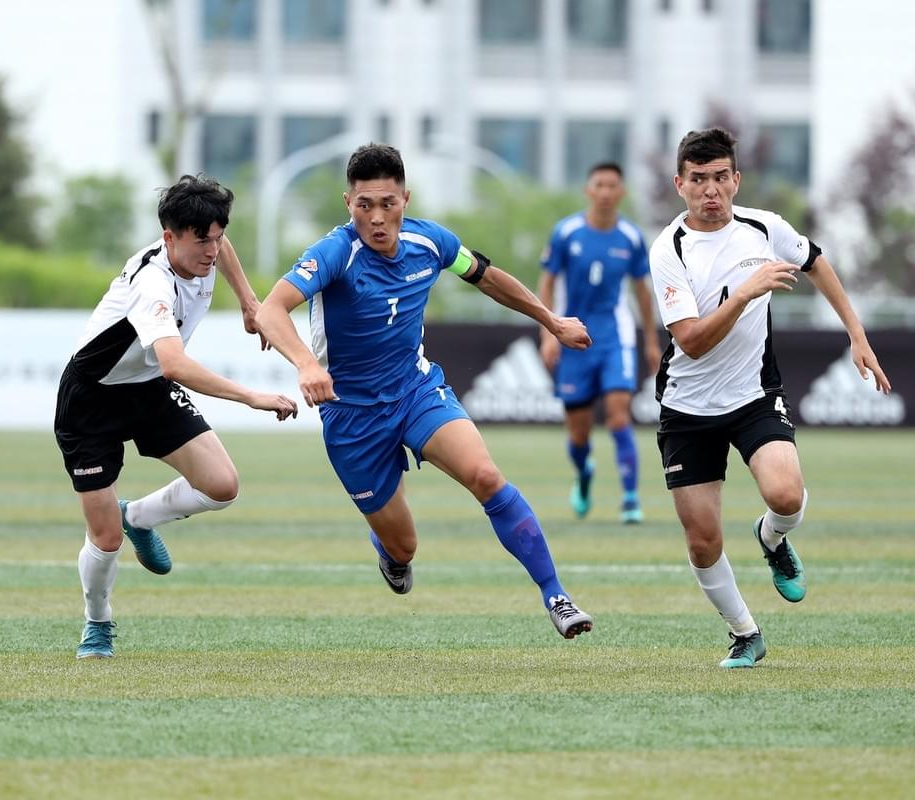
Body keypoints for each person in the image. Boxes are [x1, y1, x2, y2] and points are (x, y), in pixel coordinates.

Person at [255, 143, 596, 639]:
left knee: (484, 474)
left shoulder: (430, 242)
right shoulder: (334, 252)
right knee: (404, 546)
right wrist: (306, 364)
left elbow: (486, 277)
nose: (376, 218)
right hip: (351, 417)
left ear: (406, 200)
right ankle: (389, 552)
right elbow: (270, 310)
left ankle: (556, 596)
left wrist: (551, 320)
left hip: (417, 393)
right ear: (348, 203)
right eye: (364, 205)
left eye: (387, 204)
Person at [648, 128, 891, 668]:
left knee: (786, 495)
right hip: (687, 408)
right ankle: (745, 633)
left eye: (719, 178)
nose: (710, 190)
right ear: (679, 184)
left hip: (754, 394)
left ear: (736, 180)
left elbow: (817, 262)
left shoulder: (764, 228)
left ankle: (773, 539)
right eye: (698, 180)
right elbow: (690, 339)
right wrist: (746, 292)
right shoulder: (669, 250)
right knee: (702, 541)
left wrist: (858, 335)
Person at [54, 174, 298, 659]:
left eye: (218, 235)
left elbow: (222, 252)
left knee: (222, 485)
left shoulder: (206, 248)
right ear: (170, 238)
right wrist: (252, 397)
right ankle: (97, 625)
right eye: (200, 239)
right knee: (104, 539)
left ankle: (139, 518)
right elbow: (175, 365)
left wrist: (249, 302)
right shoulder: (152, 286)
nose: (212, 249)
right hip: (92, 400)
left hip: (145, 389)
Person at [537, 162, 661, 524]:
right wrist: (548, 333)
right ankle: (584, 472)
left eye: (612, 186)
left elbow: (642, 293)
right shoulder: (567, 233)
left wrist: (651, 341)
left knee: (619, 413)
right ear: (588, 190)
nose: (606, 192)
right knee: (578, 431)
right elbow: (546, 283)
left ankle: (630, 498)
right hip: (572, 335)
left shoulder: (632, 238)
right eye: (599, 185)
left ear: (621, 192)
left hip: (614, 337)